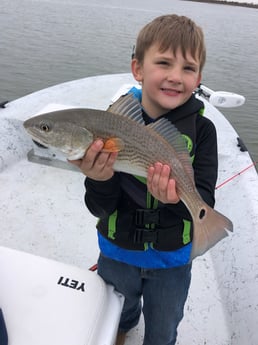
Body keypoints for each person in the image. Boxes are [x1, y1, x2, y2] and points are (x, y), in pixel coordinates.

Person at [70, 14, 218, 345]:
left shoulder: (204, 132)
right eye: (163, 63)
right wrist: (99, 178)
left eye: (188, 68)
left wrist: (174, 199)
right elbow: (99, 207)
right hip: (118, 254)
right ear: (138, 69)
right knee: (117, 313)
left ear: (199, 78)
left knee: (164, 327)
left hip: (172, 262)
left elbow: (204, 199)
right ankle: (122, 328)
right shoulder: (108, 125)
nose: (175, 77)